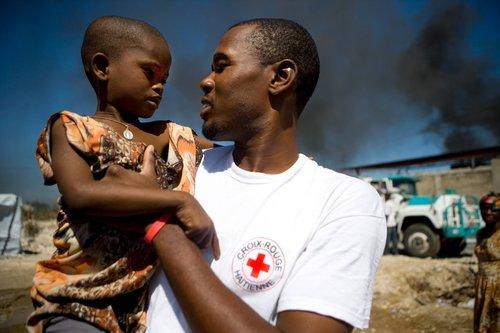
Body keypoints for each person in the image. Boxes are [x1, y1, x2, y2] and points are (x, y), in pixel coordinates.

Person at [106, 18, 387, 332]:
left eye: (222, 66)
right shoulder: (183, 167)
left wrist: (162, 227)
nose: (205, 81)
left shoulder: (342, 202)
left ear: (280, 77)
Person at [28, 16, 219, 333]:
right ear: (103, 67)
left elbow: (233, 151)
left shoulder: (170, 135)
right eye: (150, 72)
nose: (159, 86)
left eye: (165, 80)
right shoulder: (72, 128)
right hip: (75, 297)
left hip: (137, 307)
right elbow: (81, 194)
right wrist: (178, 202)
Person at [474, 192, 500, 333]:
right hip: (482, 287)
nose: (487, 212)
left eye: (493, 208)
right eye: (484, 208)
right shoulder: (480, 234)